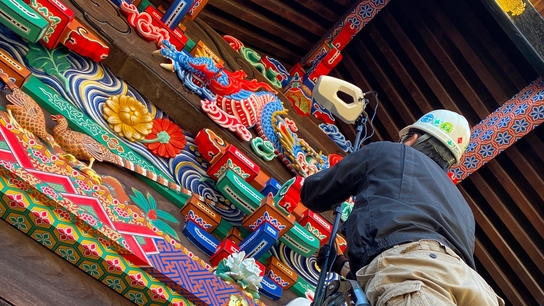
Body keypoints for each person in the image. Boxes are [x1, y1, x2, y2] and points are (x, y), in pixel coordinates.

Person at [301, 110, 505, 305]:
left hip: (416, 278)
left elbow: (314, 193)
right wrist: (341, 266)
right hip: (477, 289)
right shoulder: (464, 208)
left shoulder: (389, 151)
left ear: (412, 139)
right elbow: (421, 266)